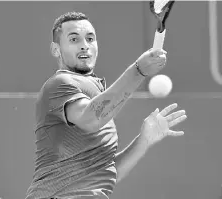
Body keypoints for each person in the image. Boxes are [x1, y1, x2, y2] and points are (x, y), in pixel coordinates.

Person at [25, 11, 187, 199]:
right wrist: (138, 71)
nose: (85, 46)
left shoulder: (96, 96)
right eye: (74, 39)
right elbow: (92, 118)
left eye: (90, 39)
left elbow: (105, 174)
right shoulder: (59, 83)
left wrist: (144, 140)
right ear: (56, 49)